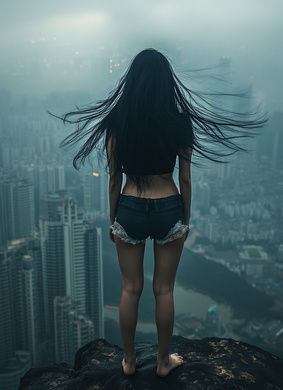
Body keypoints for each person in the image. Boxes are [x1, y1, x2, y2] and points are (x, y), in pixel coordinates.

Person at [58, 48, 266, 376]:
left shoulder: (118, 121)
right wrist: (185, 217)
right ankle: (163, 361)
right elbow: (185, 176)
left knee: (130, 289)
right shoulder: (180, 122)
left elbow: (114, 178)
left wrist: (113, 220)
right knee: (164, 290)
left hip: (130, 208)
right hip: (169, 205)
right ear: (167, 83)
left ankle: (127, 361)